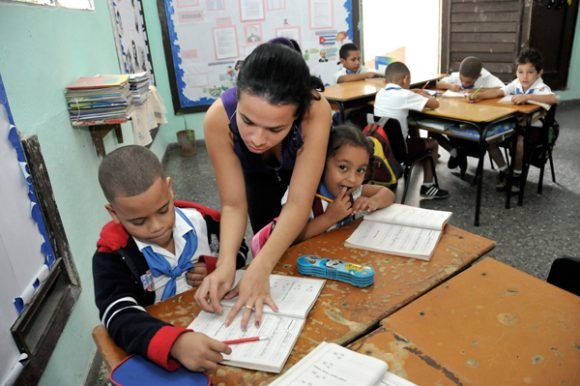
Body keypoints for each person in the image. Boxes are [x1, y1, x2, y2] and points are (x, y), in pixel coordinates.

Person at [197, 42, 332, 330]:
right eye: (247, 121)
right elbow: (234, 204)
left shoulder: (316, 111)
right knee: (265, 239)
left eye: (275, 129)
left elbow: (298, 202)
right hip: (256, 178)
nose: (257, 139)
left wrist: (261, 268)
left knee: (300, 246)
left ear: (297, 115)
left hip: (301, 181)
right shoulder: (217, 119)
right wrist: (226, 264)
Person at [92, 145, 248, 372]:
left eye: (164, 210)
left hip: (220, 328)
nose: (156, 227)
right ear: (114, 213)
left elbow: (239, 250)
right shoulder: (112, 256)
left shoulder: (204, 221)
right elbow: (118, 316)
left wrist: (216, 267)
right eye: (138, 222)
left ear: (169, 188)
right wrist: (174, 343)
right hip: (160, 345)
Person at [251, 123, 395, 255]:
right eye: (343, 167)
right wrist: (329, 218)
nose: (352, 179)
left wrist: (374, 201)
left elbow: (387, 193)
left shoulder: (353, 191)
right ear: (322, 162)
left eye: (360, 170)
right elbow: (290, 237)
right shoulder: (302, 194)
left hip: (331, 256)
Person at [469, 48, 557, 191]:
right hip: (513, 125)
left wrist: (528, 97)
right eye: (520, 72)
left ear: (539, 73)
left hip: (534, 129)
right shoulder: (516, 83)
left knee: (519, 144)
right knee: (488, 137)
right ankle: (505, 170)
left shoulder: (541, 87)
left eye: (530, 72)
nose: (524, 77)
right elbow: (500, 91)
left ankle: (517, 175)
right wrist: (480, 96)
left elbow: (553, 98)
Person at [374, 61, 449, 200]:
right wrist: (424, 95)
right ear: (406, 79)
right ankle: (428, 186)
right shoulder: (406, 96)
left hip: (384, 147)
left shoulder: (380, 94)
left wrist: (412, 92)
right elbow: (435, 104)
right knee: (432, 143)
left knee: (412, 129)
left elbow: (401, 94)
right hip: (401, 152)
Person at [436, 56, 505, 170]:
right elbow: (439, 84)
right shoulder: (457, 75)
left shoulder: (486, 77)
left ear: (478, 76)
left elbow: (503, 89)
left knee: (467, 133)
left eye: (468, 81)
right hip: (458, 114)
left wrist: (479, 91)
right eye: (462, 79)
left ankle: (460, 151)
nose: (464, 83)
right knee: (440, 129)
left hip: (478, 118)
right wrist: (450, 86)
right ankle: (456, 152)